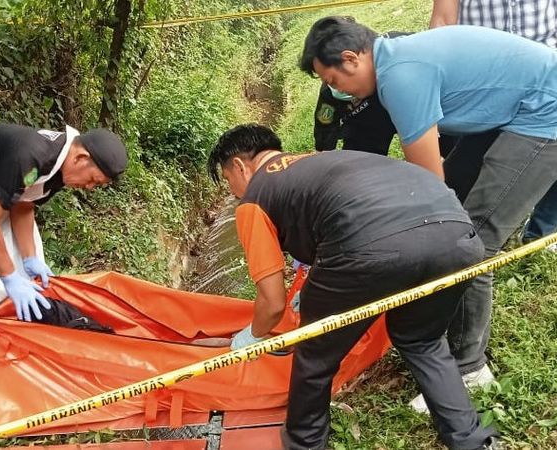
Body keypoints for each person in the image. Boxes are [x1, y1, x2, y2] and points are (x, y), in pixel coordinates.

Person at [300, 15, 557, 410]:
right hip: (511, 109)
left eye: (334, 82)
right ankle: (443, 318)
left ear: (351, 59)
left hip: (543, 114)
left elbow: (430, 188)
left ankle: (470, 369)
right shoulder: (398, 56)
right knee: (449, 226)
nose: (338, 93)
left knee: (470, 244)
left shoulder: (400, 78)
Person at [207, 124, 498, 450]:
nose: (233, 190)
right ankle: (473, 441)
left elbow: (273, 303)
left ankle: (304, 443)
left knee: (315, 355)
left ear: (239, 166)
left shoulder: (255, 196)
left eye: (227, 178)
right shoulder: (323, 160)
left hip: (372, 248)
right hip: (458, 236)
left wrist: (253, 336)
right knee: (424, 341)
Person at [0, 120, 128, 321]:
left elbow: (24, 204)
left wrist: (30, 258)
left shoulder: (62, 165)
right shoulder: (31, 156)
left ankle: (5, 307)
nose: (89, 187)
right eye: (92, 180)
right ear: (81, 158)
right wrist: (9, 278)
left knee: (20, 258)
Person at [430, 0, 557, 250]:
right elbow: (443, 21)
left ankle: (541, 234)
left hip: (546, 74)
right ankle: (458, 235)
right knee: (475, 165)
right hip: (486, 82)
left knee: (549, 154)